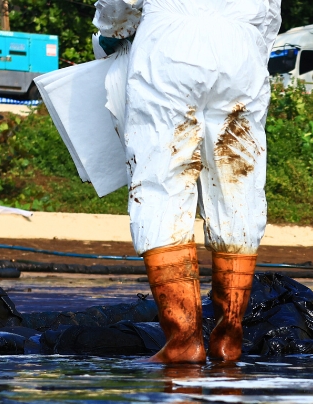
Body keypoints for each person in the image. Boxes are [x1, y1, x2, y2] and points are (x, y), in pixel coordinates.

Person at [94, 0, 280, 363]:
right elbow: (270, 17)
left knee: (162, 184)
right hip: (241, 50)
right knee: (238, 186)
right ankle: (229, 339)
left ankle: (184, 341)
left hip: (168, 48)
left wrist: (111, 31)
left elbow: (121, 6)